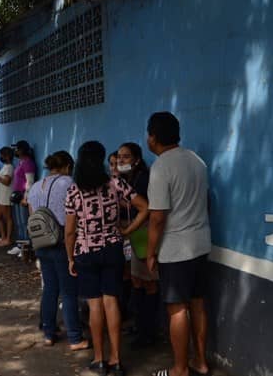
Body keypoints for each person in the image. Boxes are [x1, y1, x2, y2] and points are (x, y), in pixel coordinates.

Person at [64, 141, 149, 376]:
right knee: (112, 303)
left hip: (86, 252)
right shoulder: (115, 183)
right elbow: (144, 207)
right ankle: (117, 360)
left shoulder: (74, 190)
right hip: (113, 249)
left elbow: (70, 231)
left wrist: (70, 257)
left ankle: (100, 359)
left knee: (95, 305)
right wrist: (127, 231)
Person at [145, 112, 211, 376]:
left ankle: (180, 369)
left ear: (153, 137)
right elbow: (206, 201)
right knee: (198, 304)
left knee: (177, 309)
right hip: (201, 244)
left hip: (175, 250)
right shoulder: (197, 161)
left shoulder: (161, 167)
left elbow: (158, 217)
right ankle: (201, 362)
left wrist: (151, 252)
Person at [28, 150, 89, 350]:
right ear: (68, 167)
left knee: (50, 289)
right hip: (62, 242)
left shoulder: (36, 186)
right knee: (69, 291)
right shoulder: (69, 183)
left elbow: (32, 215)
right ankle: (75, 338)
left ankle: (48, 333)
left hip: (41, 242)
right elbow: (76, 214)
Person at [116, 142, 157, 348]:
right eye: (119, 156)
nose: (121, 160)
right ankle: (140, 326)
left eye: (126, 157)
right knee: (136, 281)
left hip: (142, 233)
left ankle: (148, 332)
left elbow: (144, 206)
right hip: (132, 235)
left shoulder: (144, 179)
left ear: (137, 159)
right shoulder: (125, 179)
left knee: (148, 283)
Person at [10, 140, 36, 256]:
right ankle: (20, 245)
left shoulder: (28, 163)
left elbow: (29, 182)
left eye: (17, 149)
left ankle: (26, 248)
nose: (15, 151)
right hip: (17, 195)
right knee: (19, 223)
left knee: (24, 222)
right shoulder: (21, 162)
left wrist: (26, 197)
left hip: (23, 196)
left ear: (22, 150)